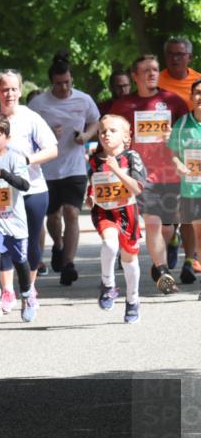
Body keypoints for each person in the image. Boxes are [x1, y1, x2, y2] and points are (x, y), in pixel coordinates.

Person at [106, 55, 188, 294]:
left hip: (171, 173)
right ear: (135, 76)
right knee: (152, 223)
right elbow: (111, 134)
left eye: (155, 69)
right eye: (146, 70)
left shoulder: (172, 101)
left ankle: (167, 247)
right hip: (141, 174)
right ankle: (163, 272)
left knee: (167, 227)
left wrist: (175, 136)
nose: (152, 74)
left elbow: (191, 133)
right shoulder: (124, 106)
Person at [0, 70, 58, 315]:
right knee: (5, 241)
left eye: (14, 89)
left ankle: (29, 290)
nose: (10, 94)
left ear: (20, 91)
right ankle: (7, 291)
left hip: (33, 189)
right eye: (5, 89)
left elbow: (52, 150)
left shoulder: (31, 117)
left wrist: (26, 160)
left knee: (29, 242)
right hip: (1, 193)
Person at [28, 52, 100, 285]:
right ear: (51, 83)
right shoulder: (39, 103)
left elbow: (95, 120)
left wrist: (86, 135)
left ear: (72, 79)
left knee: (72, 212)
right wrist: (47, 134)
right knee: (52, 216)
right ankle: (58, 246)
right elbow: (26, 131)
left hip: (75, 167)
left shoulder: (83, 99)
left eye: (67, 82)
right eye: (59, 84)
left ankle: (69, 263)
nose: (63, 87)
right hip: (46, 170)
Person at [88, 115, 147, 322]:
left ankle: (132, 300)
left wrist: (116, 170)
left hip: (127, 214)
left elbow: (137, 188)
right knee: (110, 244)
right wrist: (90, 196)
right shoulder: (94, 160)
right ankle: (108, 284)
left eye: (113, 131)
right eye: (103, 131)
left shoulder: (132, 157)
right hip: (105, 212)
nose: (106, 135)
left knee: (129, 259)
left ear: (126, 136)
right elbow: (93, 183)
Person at [0, 114, 35, 322]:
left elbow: (25, 185)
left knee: (20, 260)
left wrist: (2, 173)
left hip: (14, 219)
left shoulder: (15, 157)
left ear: (7, 138)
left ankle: (27, 295)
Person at [158, 37, 200, 282]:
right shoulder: (159, 81)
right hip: (167, 151)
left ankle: (189, 259)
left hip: (193, 150)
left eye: (181, 54)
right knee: (173, 210)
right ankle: (172, 238)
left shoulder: (197, 80)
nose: (176, 58)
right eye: (171, 53)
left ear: (190, 58)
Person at [168, 78, 201, 296]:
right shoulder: (182, 124)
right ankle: (190, 258)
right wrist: (178, 164)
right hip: (190, 188)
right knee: (192, 228)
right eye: (197, 93)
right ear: (191, 97)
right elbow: (172, 153)